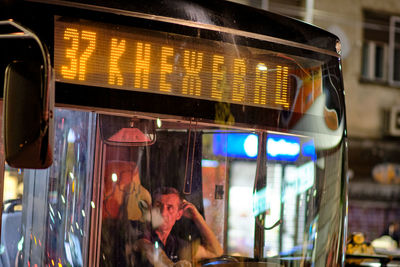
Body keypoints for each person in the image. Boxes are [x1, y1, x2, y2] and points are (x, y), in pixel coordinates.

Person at [134, 187, 223, 266]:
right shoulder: (141, 233)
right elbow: (150, 250)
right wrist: (172, 265)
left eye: (170, 207)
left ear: (179, 215)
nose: (163, 213)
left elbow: (215, 252)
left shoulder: (175, 244)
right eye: (158, 205)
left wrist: (197, 218)